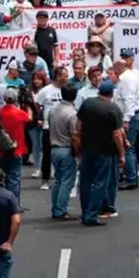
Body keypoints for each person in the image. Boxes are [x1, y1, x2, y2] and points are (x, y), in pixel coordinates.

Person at [75, 81, 125, 226]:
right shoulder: (113, 109)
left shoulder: (88, 104)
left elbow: (79, 124)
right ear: (112, 93)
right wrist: (121, 154)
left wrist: (79, 141)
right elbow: (117, 134)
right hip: (104, 150)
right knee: (100, 182)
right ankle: (91, 215)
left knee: (85, 181)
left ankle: (85, 211)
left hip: (87, 147)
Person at [49, 85, 79, 219]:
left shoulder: (53, 110)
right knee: (67, 182)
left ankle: (55, 207)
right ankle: (60, 210)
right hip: (66, 149)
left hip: (54, 148)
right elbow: (74, 136)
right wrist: (79, 153)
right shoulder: (72, 114)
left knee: (58, 180)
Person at [117, 50, 139, 190]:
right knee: (130, 148)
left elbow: (129, 100)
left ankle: (131, 179)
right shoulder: (131, 77)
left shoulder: (126, 79)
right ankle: (131, 177)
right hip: (133, 115)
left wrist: (126, 119)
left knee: (128, 147)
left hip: (131, 116)